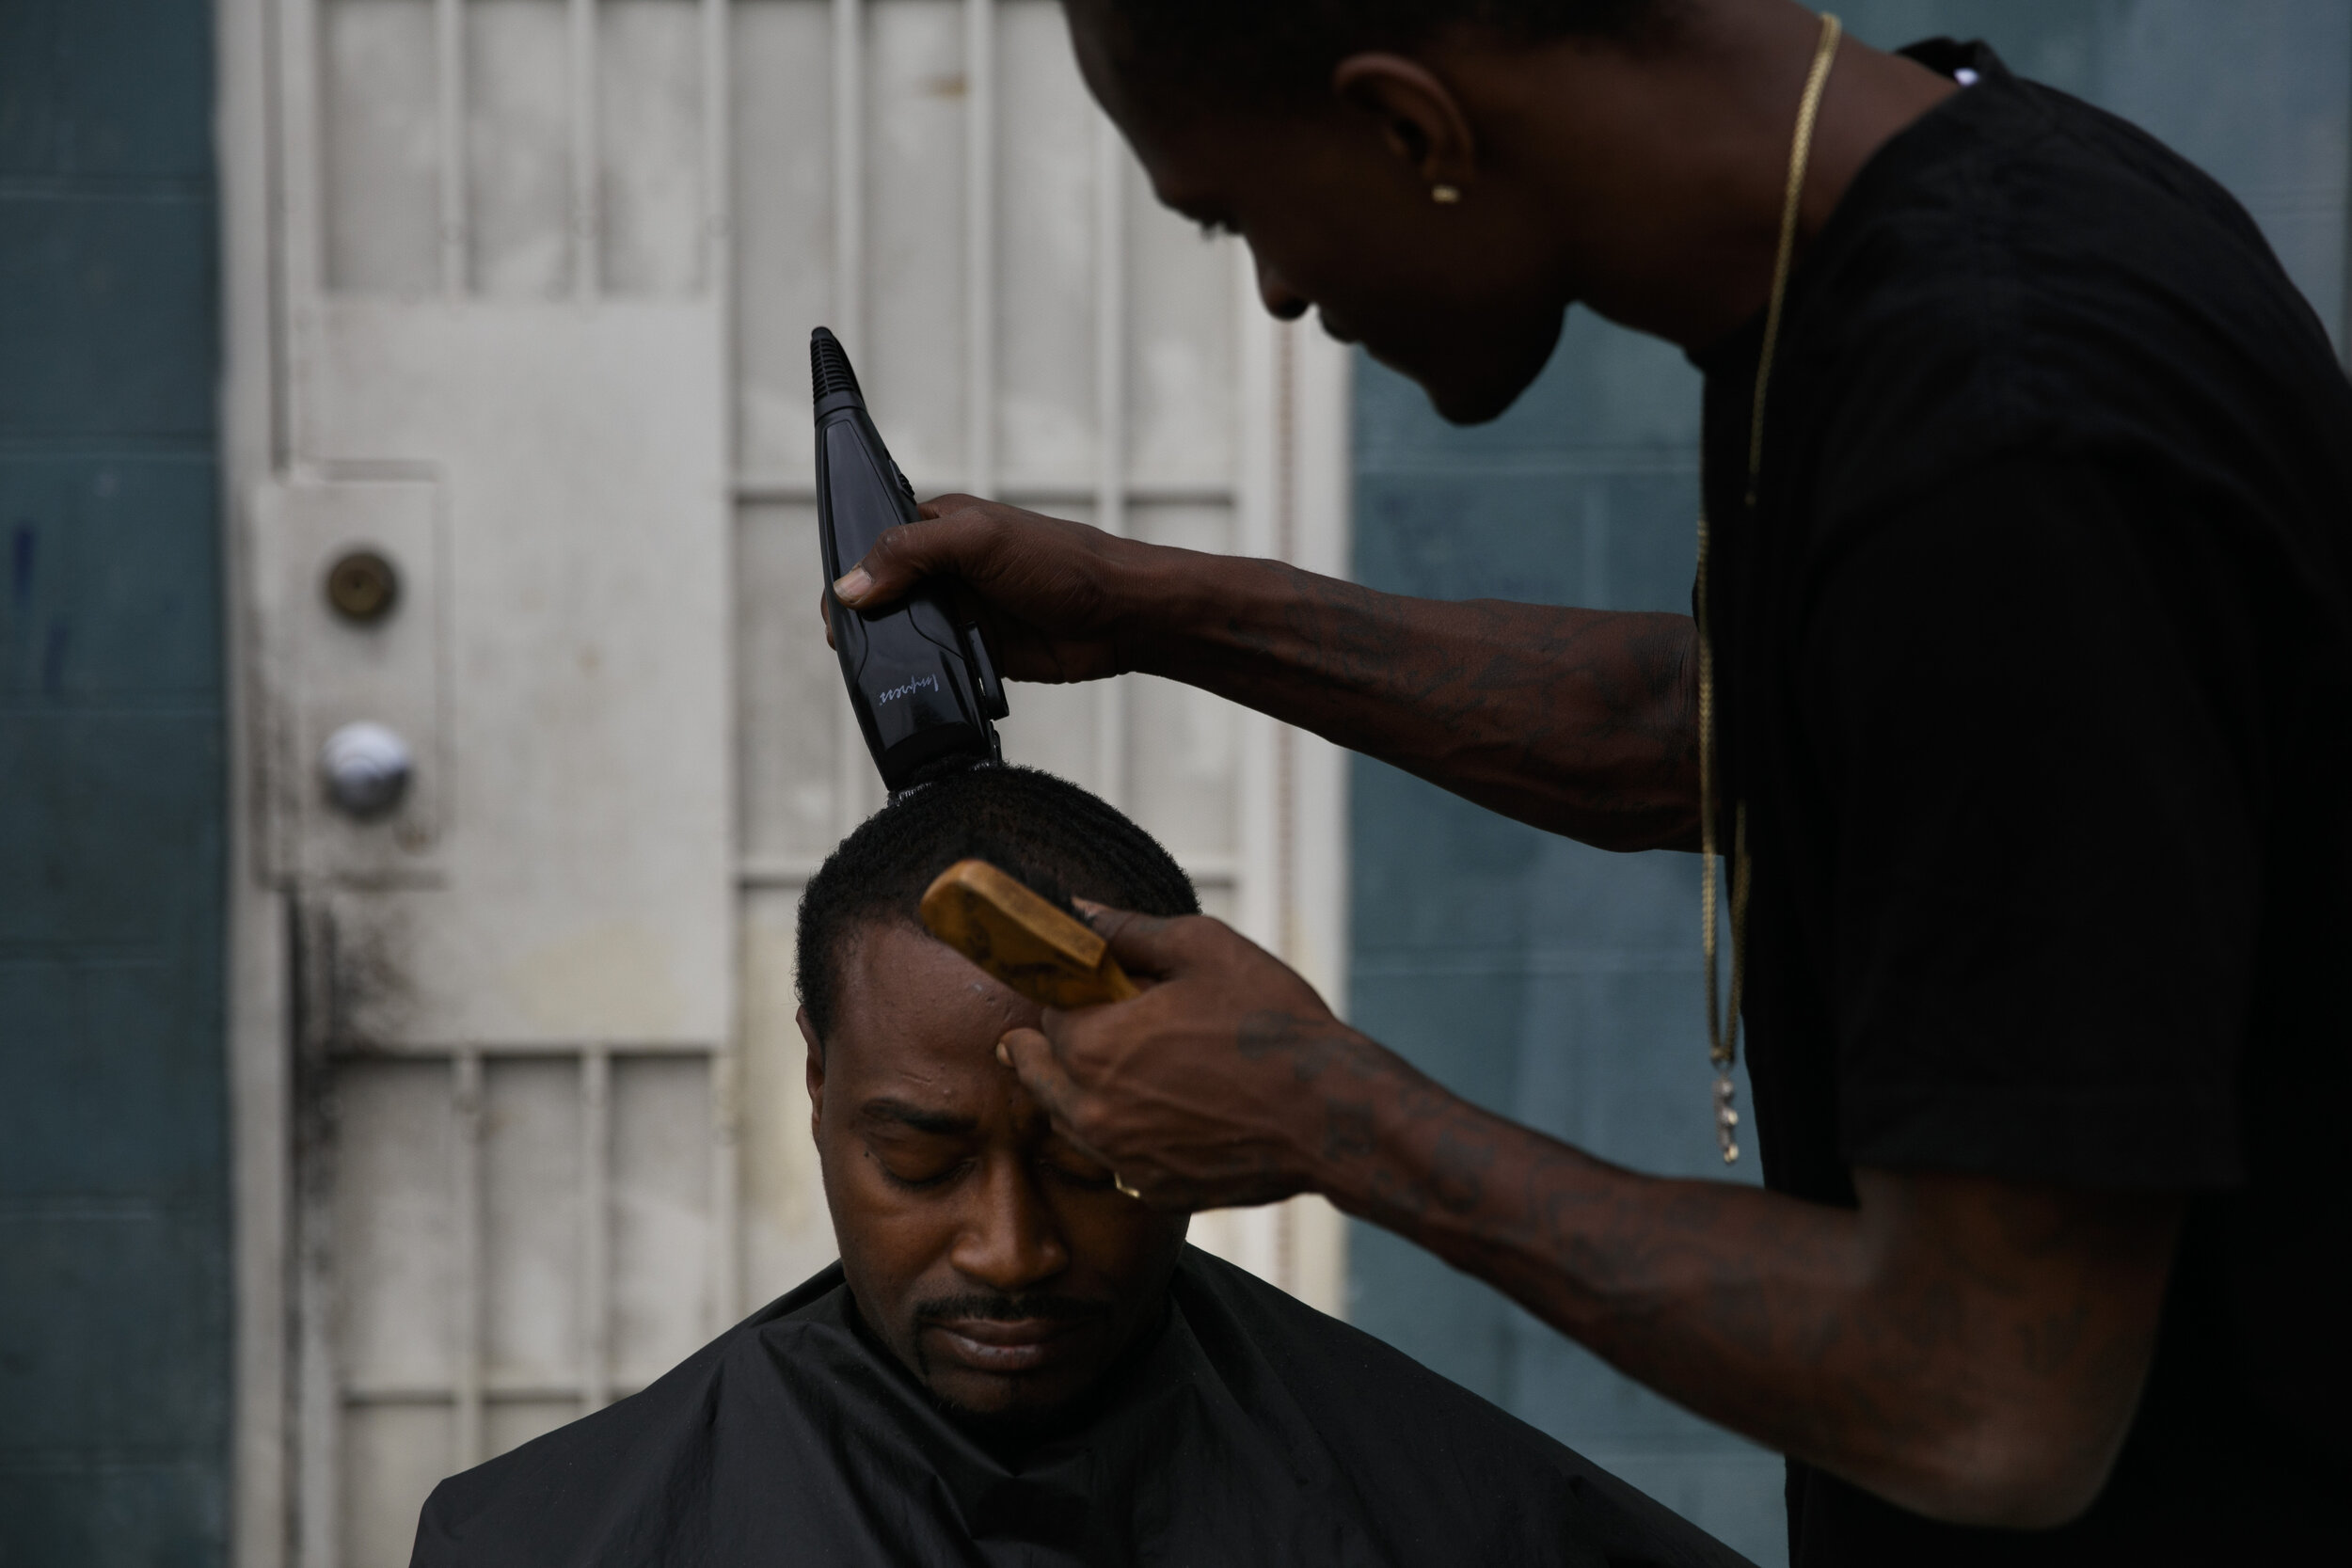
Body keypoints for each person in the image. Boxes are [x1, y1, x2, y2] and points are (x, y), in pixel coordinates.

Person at [821, 1, 2352, 1562]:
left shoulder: (2007, 440)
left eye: (1234, 216)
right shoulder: (1937, 225)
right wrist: (1160, 608)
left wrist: (1335, 1117)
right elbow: (1733, 722)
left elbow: (1984, 1393)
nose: (1280, 290)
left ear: (1414, 127)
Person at [408, 765, 1754, 1567]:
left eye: (1090, 1163)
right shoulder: (550, 1542)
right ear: (818, 1086)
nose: (1010, 1250)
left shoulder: (1453, 1520)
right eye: (920, 1162)